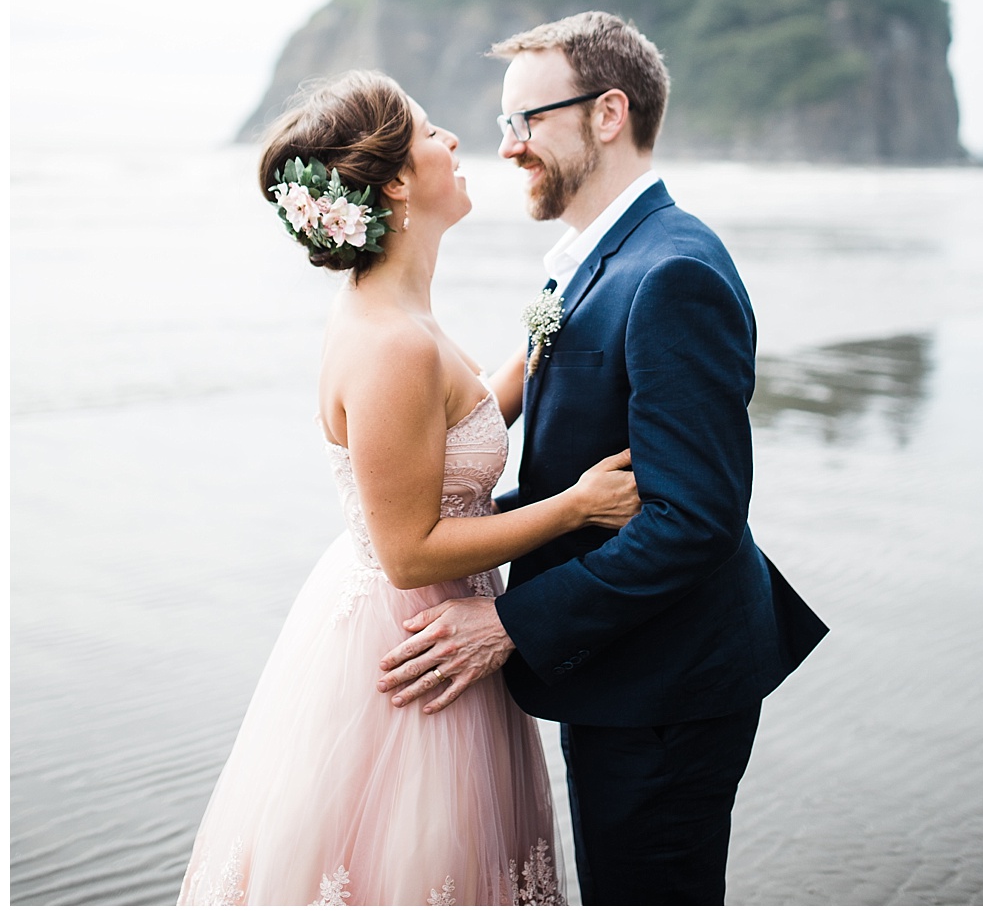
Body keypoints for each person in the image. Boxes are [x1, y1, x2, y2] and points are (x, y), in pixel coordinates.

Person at [378, 12, 829, 906]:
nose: (509, 149)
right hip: (621, 668)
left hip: (667, 688)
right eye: (506, 125)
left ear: (609, 112)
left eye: (527, 121)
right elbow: (566, 463)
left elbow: (691, 520)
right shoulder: (590, 261)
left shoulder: (673, 274)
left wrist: (510, 623)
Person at [177, 70, 640, 907]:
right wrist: (573, 505)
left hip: (435, 616)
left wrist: (544, 334)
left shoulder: (397, 310)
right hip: (412, 640)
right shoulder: (391, 343)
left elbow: (455, 432)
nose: (456, 143)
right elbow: (409, 550)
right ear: (394, 181)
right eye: (432, 133)